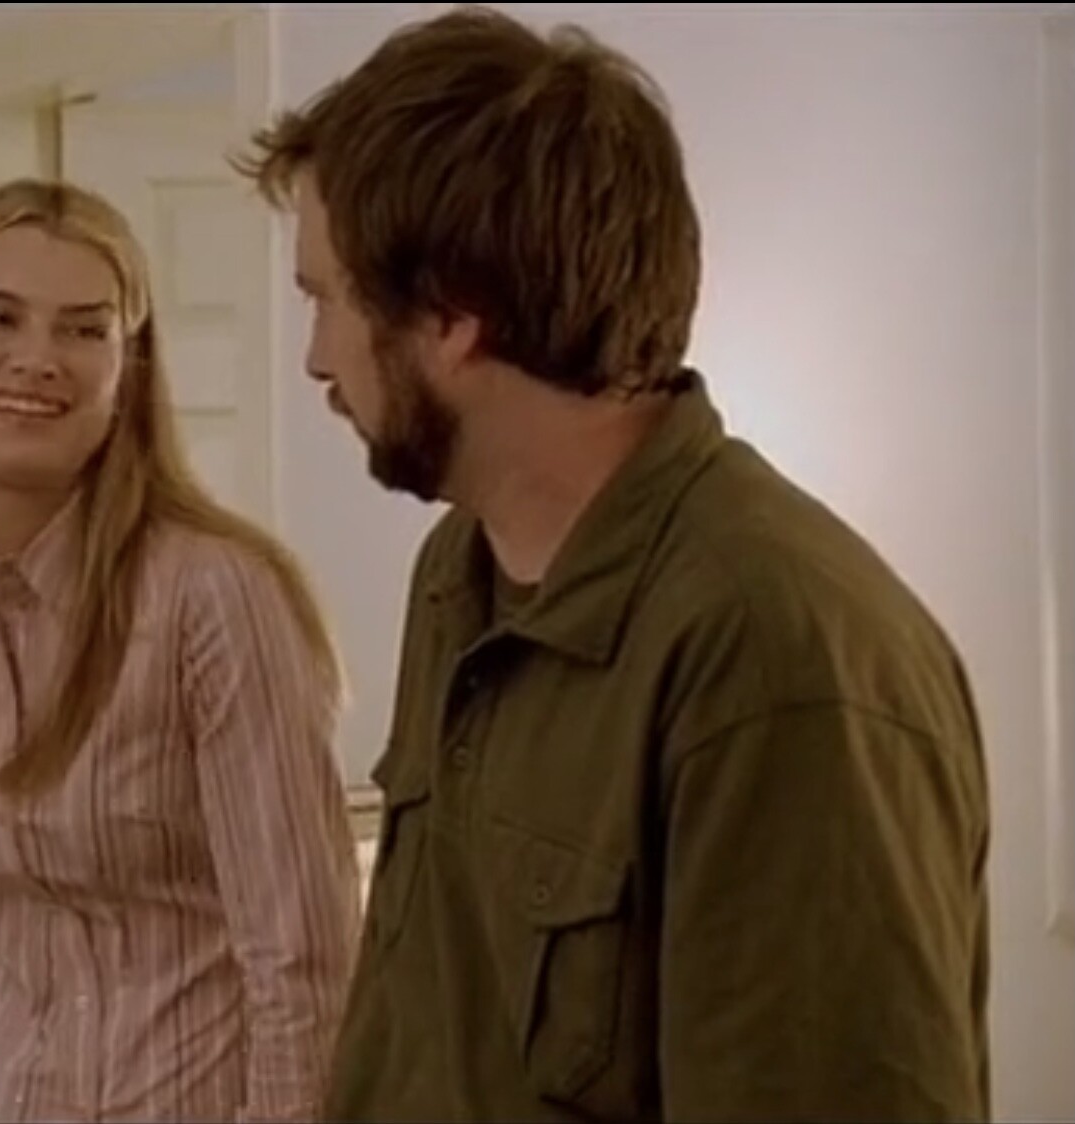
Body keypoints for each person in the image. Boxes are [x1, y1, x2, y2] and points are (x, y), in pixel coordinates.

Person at [234, 7, 992, 1123]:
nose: (315, 358)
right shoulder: (459, 572)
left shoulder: (778, 659)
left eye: (326, 298)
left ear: (451, 314)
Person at [0, 177, 361, 1123]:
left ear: (130, 372)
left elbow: (304, 968)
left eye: (85, 330)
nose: (37, 359)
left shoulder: (213, 595)